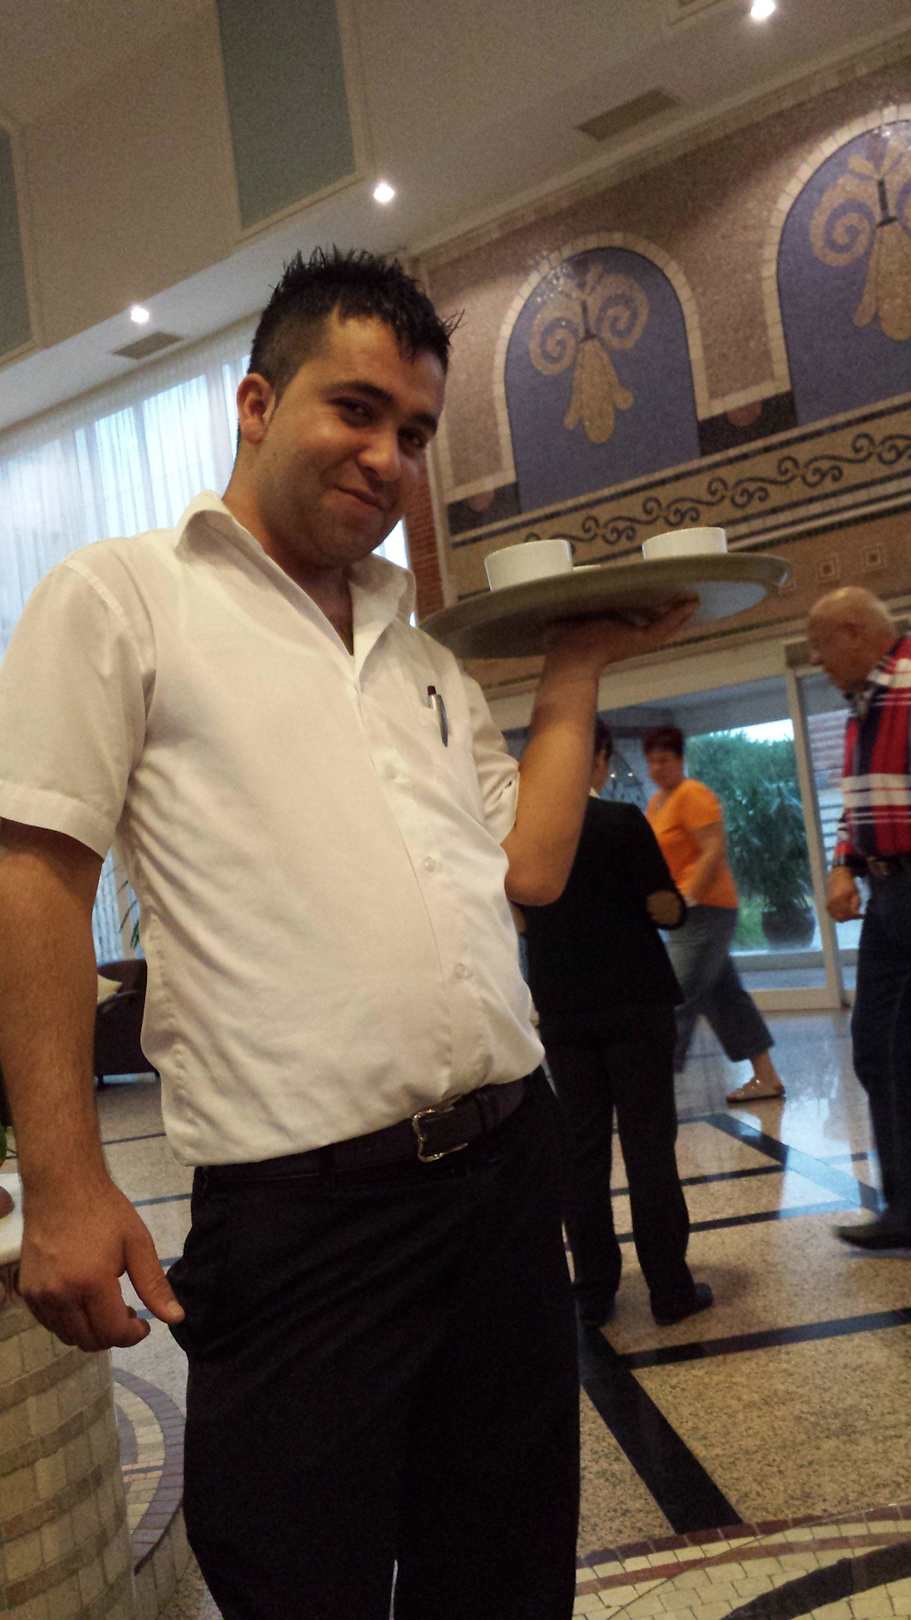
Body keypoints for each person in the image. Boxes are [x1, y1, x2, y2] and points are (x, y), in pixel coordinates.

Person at [0, 247, 695, 1620]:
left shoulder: (419, 654)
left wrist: (574, 668)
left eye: (414, 433)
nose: (387, 458)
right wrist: (66, 1183)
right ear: (258, 403)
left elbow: (530, 866)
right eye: (356, 409)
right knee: (297, 1581)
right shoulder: (121, 595)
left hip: (506, 1174)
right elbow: (35, 876)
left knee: (502, 1575)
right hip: (302, 1218)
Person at [522, 719, 713, 1329]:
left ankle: (594, 1291)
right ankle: (669, 1289)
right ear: (599, 759)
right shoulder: (621, 822)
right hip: (634, 1005)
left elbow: (519, 919)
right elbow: (666, 909)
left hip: (563, 1011)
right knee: (648, 1145)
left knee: (582, 1151)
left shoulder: (523, 835)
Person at [808, 586, 911, 1250]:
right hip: (887, 893)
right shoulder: (864, 704)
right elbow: (861, 801)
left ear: (853, 632)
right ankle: (902, 1204)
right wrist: (844, 863)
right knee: (875, 1049)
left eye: (819, 645)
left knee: (898, 1051)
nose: (816, 660)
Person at [643, 725, 785, 1106]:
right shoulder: (657, 803)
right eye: (651, 761)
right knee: (724, 997)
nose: (657, 768)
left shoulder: (693, 795)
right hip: (684, 914)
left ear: (680, 759)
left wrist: (688, 895)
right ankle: (766, 1077)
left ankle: (650, 1090)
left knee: (676, 994)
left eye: (664, 760)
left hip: (707, 909)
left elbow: (712, 849)